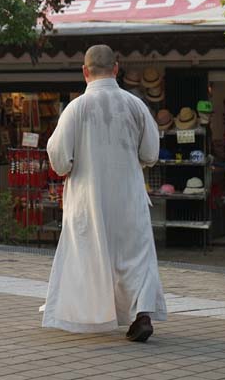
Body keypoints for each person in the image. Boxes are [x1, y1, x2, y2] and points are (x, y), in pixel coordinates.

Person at [42, 44, 167, 342]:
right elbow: (150, 152)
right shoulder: (136, 105)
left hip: (88, 196)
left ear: (85, 71)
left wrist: (72, 164)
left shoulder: (76, 108)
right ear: (116, 68)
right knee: (136, 255)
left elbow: (59, 158)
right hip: (129, 192)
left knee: (89, 252)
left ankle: (94, 312)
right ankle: (142, 313)